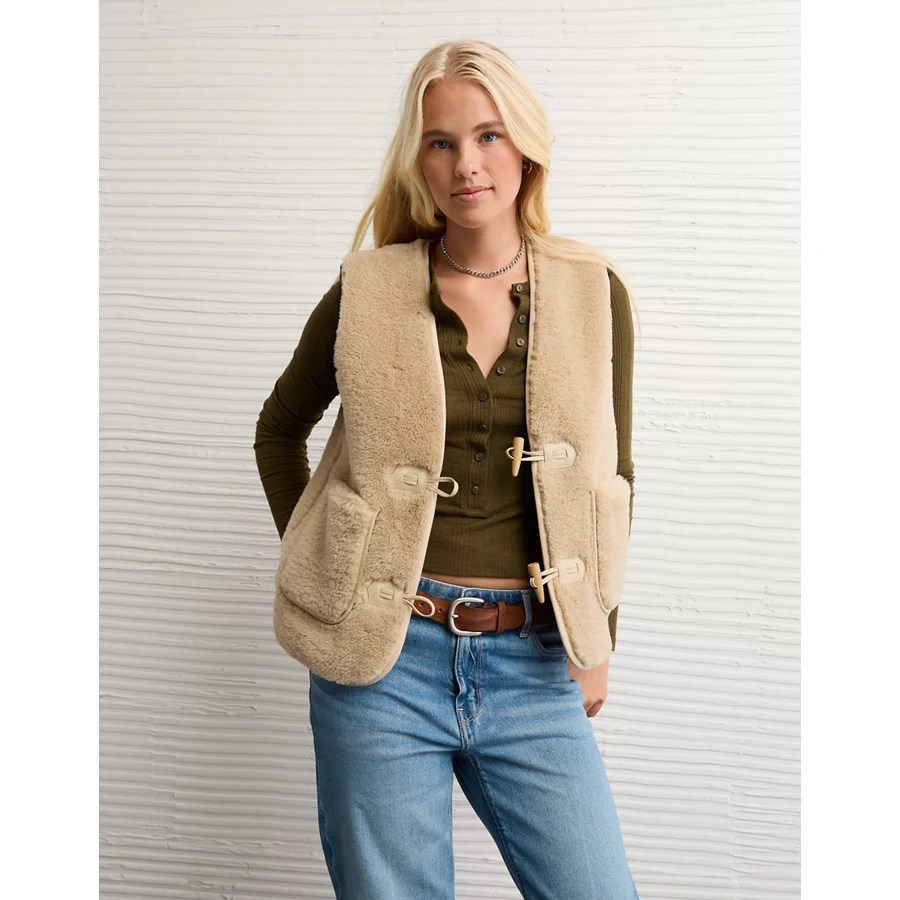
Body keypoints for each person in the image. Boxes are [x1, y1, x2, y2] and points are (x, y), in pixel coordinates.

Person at [254, 38, 640, 900]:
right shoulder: (366, 289)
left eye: (488, 136)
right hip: (381, 665)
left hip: (536, 658)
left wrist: (600, 635)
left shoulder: (594, 290)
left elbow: (613, 479)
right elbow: (279, 432)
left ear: (525, 147)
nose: (467, 163)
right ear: (418, 162)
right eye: (442, 142)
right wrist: (330, 569)